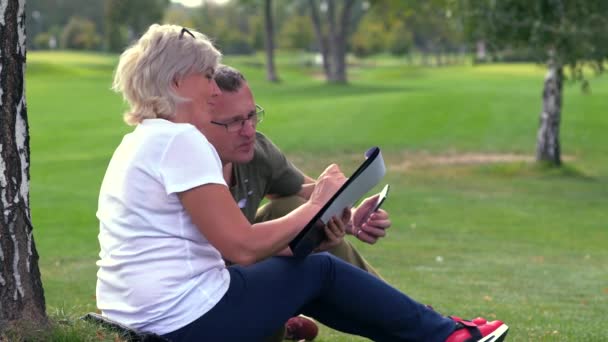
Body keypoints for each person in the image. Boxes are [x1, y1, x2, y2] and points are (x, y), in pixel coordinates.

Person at [95, 24, 509, 342]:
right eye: (205, 75)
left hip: (146, 313)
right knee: (320, 272)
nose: (212, 89)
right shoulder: (180, 140)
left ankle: (436, 331)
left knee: (306, 269)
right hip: (180, 319)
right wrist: (315, 206)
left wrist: (317, 224)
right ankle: (444, 335)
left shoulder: (145, 140)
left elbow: (228, 244)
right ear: (174, 83)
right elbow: (240, 245)